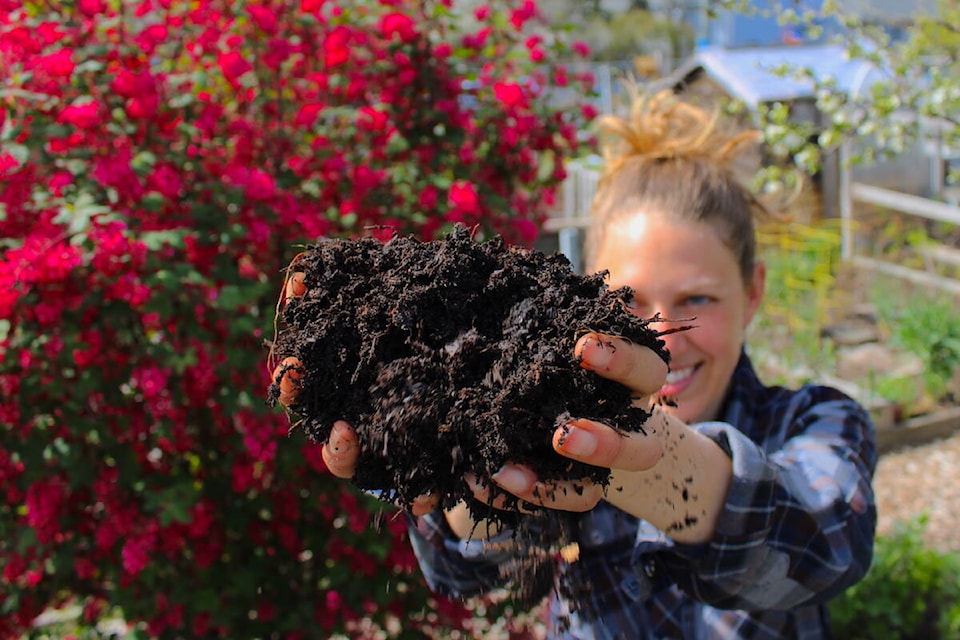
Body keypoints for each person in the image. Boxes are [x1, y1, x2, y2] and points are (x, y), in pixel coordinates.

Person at [272, 89, 877, 639]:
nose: (662, 331)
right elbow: (466, 573)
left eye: (698, 300)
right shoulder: (546, 425)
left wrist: (640, 443)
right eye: (632, 300)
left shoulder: (816, 420)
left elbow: (824, 551)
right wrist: (457, 441)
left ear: (753, 292)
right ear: (588, 295)